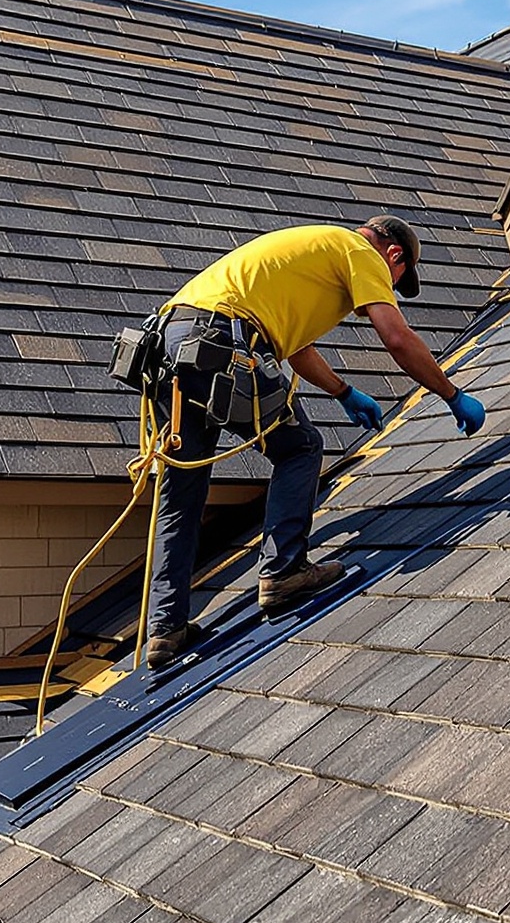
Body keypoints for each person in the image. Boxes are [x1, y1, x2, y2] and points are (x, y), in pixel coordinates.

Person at [145, 215, 484, 664]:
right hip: (222, 340)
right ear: (394, 255)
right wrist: (451, 394)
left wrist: (344, 392)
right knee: (300, 447)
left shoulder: (310, 254)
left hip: (169, 345)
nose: (390, 288)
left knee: (182, 491)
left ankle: (164, 629)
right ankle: (283, 571)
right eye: (397, 281)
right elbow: (397, 338)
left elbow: (294, 346)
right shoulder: (361, 252)